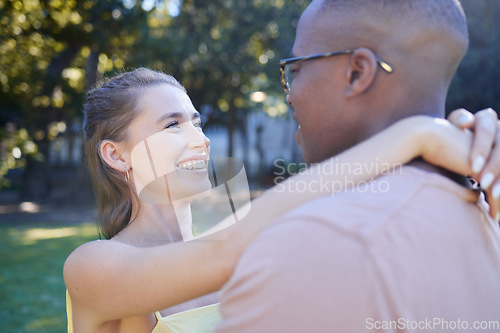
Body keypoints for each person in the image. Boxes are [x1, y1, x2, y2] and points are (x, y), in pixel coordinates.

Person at [63, 67, 498, 333]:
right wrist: (416, 134)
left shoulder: (248, 243)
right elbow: (227, 250)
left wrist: (475, 172)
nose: (199, 139)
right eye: (172, 125)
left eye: (197, 122)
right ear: (116, 154)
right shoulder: (92, 267)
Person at [214, 1, 500, 332]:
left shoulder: (321, 246)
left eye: (295, 70)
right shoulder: (487, 213)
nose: (289, 96)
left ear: (357, 73)